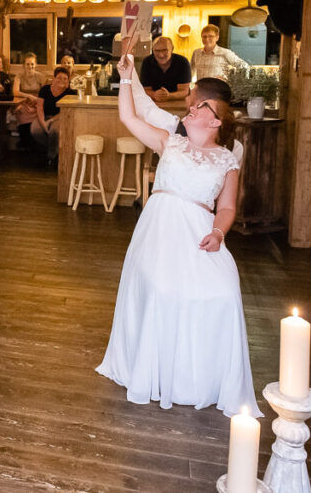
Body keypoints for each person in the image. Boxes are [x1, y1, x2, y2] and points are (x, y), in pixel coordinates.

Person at [96, 55, 260, 419]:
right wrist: (125, 79)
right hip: (159, 227)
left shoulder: (228, 159)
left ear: (215, 121)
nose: (190, 105)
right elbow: (129, 117)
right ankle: (153, 370)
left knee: (224, 292)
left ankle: (199, 377)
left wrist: (219, 232)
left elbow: (228, 207)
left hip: (199, 230)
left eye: (199, 105)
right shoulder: (170, 141)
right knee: (161, 291)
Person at [31, 66, 74, 165]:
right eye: (59, 78)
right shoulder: (45, 89)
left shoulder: (70, 93)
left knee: (54, 131)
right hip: (44, 116)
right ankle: (55, 149)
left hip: (59, 118)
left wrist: (50, 121)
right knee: (35, 130)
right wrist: (43, 123)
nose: (61, 80)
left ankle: (51, 158)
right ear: (53, 79)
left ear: (68, 81)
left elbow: (65, 112)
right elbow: (40, 108)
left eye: (65, 79)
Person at [12, 52, 47, 144]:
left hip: (37, 103)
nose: (30, 66)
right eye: (27, 64)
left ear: (35, 65)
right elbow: (15, 92)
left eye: (32, 64)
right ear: (24, 65)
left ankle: (33, 142)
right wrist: (28, 96)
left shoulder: (41, 76)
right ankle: (25, 140)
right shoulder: (19, 76)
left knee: (38, 114)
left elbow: (44, 93)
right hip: (24, 102)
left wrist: (36, 100)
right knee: (21, 111)